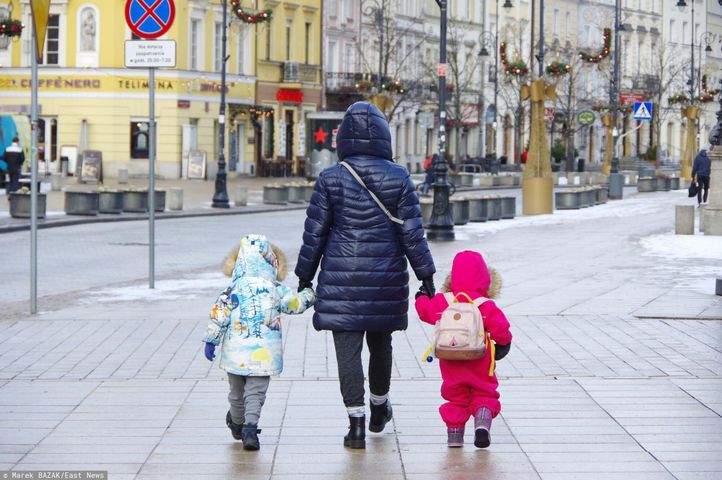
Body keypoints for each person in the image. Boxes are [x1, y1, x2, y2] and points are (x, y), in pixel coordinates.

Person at [295, 101, 436, 450]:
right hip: (385, 277)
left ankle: (355, 423)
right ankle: (378, 407)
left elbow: (315, 233)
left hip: (341, 280)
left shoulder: (330, 178)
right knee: (381, 345)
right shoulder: (400, 177)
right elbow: (412, 234)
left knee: (347, 351)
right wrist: (426, 275)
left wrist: (304, 276)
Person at [202, 234, 316, 451]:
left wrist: (211, 341)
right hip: (264, 354)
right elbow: (296, 304)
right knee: (255, 393)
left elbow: (219, 315)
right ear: (270, 262)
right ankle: (250, 430)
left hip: (236, 354)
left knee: (236, 394)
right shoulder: (275, 288)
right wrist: (310, 294)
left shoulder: (231, 289)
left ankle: (237, 423)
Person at [415, 251, 512, 448]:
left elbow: (425, 312)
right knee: (484, 392)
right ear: (485, 277)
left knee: (455, 397)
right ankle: (482, 425)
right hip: (479, 358)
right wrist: (503, 344)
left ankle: (455, 437)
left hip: (450, 359)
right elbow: (501, 328)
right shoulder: (484, 304)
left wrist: (421, 298)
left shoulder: (445, 301)